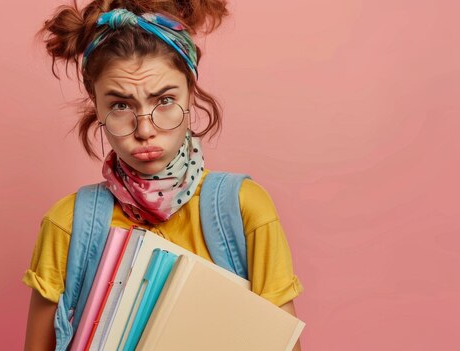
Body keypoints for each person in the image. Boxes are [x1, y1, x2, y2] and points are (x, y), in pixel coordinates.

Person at [22, 1, 304, 350]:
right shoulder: (67, 225)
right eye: (120, 105)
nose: (144, 129)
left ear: (190, 91)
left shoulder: (243, 210)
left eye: (164, 100)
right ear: (96, 107)